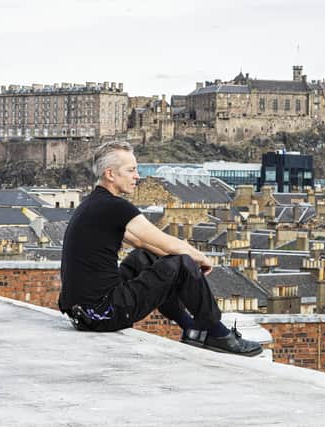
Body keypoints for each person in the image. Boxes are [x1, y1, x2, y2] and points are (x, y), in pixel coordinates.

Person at [58, 141, 262, 356]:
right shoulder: (114, 206)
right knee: (181, 261)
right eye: (131, 170)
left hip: (84, 313)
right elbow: (164, 241)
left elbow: (143, 243)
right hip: (103, 314)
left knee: (144, 257)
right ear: (110, 174)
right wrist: (200, 258)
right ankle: (219, 334)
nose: (137, 176)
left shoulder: (93, 203)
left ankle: (190, 327)